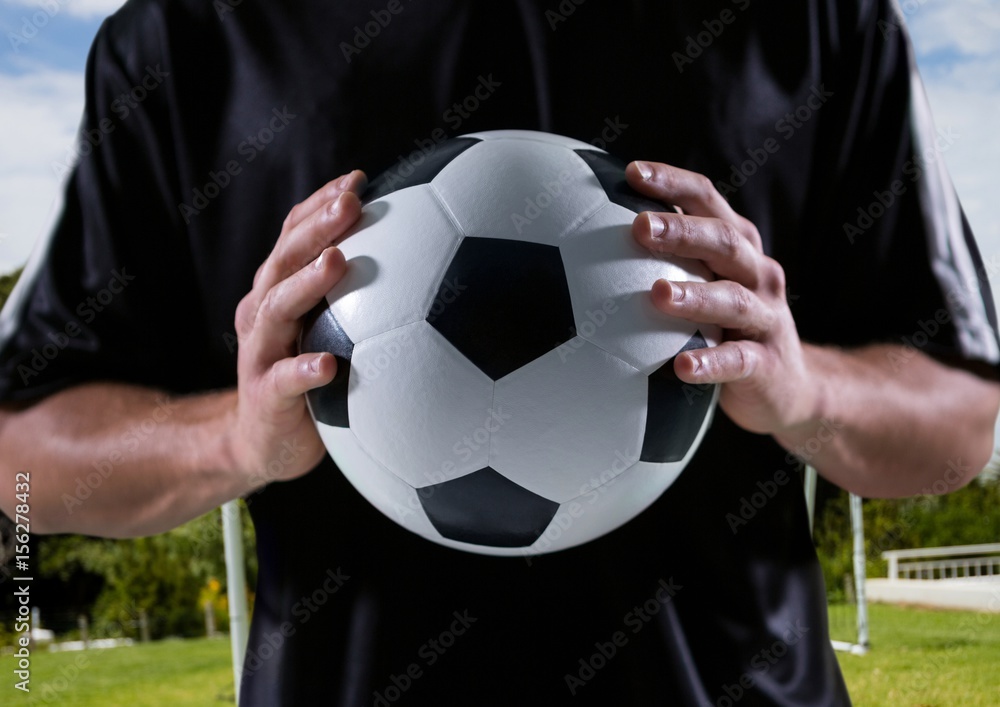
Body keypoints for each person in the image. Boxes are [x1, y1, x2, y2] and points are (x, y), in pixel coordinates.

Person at [1, 1, 998, 704]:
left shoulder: (812, 25)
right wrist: (234, 438)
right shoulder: (186, 41)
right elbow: (24, 459)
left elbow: (957, 426)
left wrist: (803, 386)